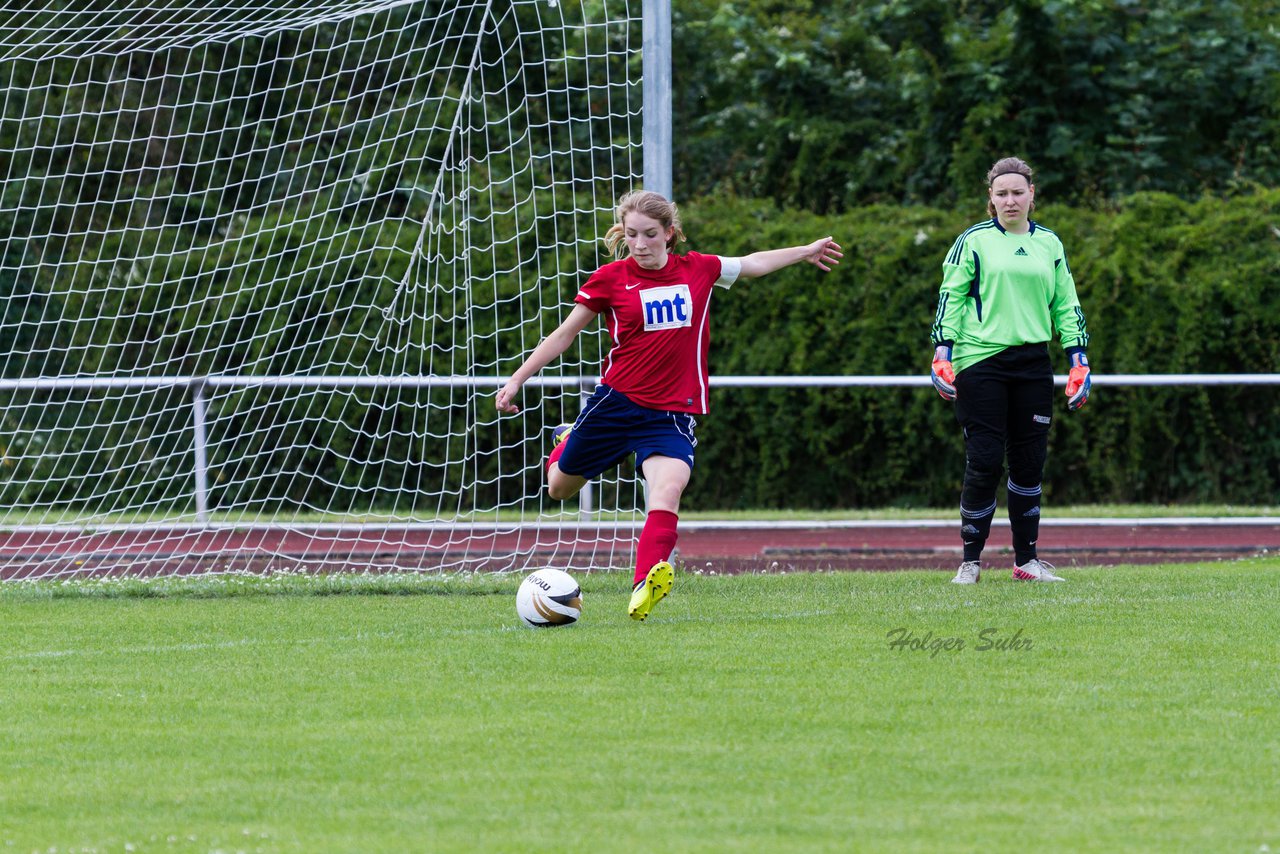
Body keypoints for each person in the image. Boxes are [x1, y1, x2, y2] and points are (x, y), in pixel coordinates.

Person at [497, 190, 841, 619]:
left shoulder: (699, 269)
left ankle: (644, 583)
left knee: (669, 489)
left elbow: (753, 263)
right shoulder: (610, 278)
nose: (640, 244)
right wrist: (517, 379)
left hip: (672, 413)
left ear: (669, 233)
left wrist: (805, 251)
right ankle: (567, 439)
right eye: (631, 235)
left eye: (650, 235)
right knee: (560, 488)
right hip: (615, 405)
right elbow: (564, 335)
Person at [929, 156, 1091, 584]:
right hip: (980, 361)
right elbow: (952, 297)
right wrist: (941, 353)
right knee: (984, 461)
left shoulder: (1049, 244)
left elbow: (1066, 303)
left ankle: (1027, 561)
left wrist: (1078, 358)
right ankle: (970, 562)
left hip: (1033, 363)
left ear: (1031, 195)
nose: (1010, 200)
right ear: (991, 199)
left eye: (1018, 192)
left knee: (1029, 463)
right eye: (1002, 193)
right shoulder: (973, 242)